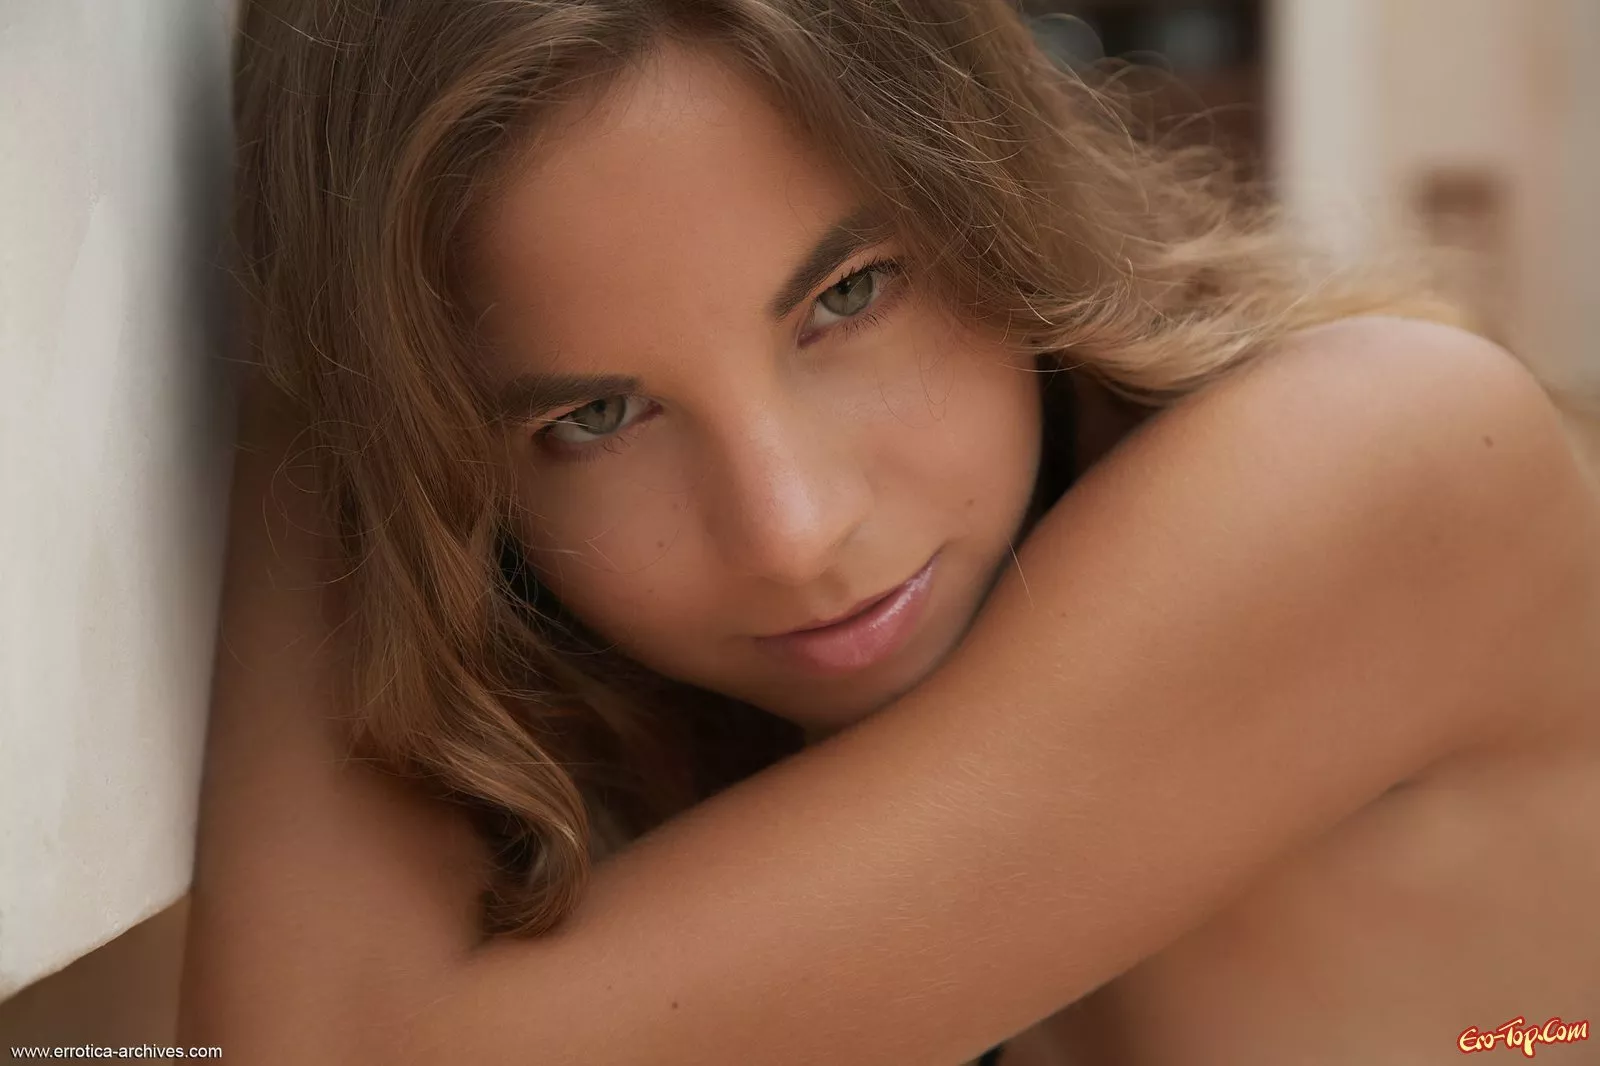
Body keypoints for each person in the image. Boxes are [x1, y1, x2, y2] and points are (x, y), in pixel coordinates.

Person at [177, 1, 1600, 1063]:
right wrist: (341, 293)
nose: (793, 531)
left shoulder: (1389, 461)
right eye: (598, 416)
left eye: (848, 297)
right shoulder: (680, 732)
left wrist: (299, 364)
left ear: (993, 194)